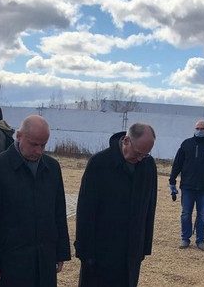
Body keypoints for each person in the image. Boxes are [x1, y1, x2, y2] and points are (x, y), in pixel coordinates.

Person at [0, 115, 71, 286]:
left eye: (43, 145)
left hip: (44, 260)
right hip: (10, 261)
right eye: (34, 144)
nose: (39, 150)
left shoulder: (52, 168)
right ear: (19, 136)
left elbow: (58, 212)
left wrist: (60, 252)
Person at [75, 123, 158, 287]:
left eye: (145, 155)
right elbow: (85, 210)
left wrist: (144, 247)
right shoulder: (99, 163)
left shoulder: (148, 166)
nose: (140, 158)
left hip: (131, 252)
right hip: (100, 252)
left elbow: (149, 207)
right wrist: (85, 253)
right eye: (138, 153)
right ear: (126, 140)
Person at [169, 119, 204, 251]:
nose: (199, 131)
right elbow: (177, 164)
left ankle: (200, 240)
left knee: (202, 215)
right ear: (194, 129)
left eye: (202, 128)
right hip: (188, 186)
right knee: (186, 213)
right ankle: (185, 238)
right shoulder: (186, 144)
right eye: (197, 128)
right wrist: (172, 180)